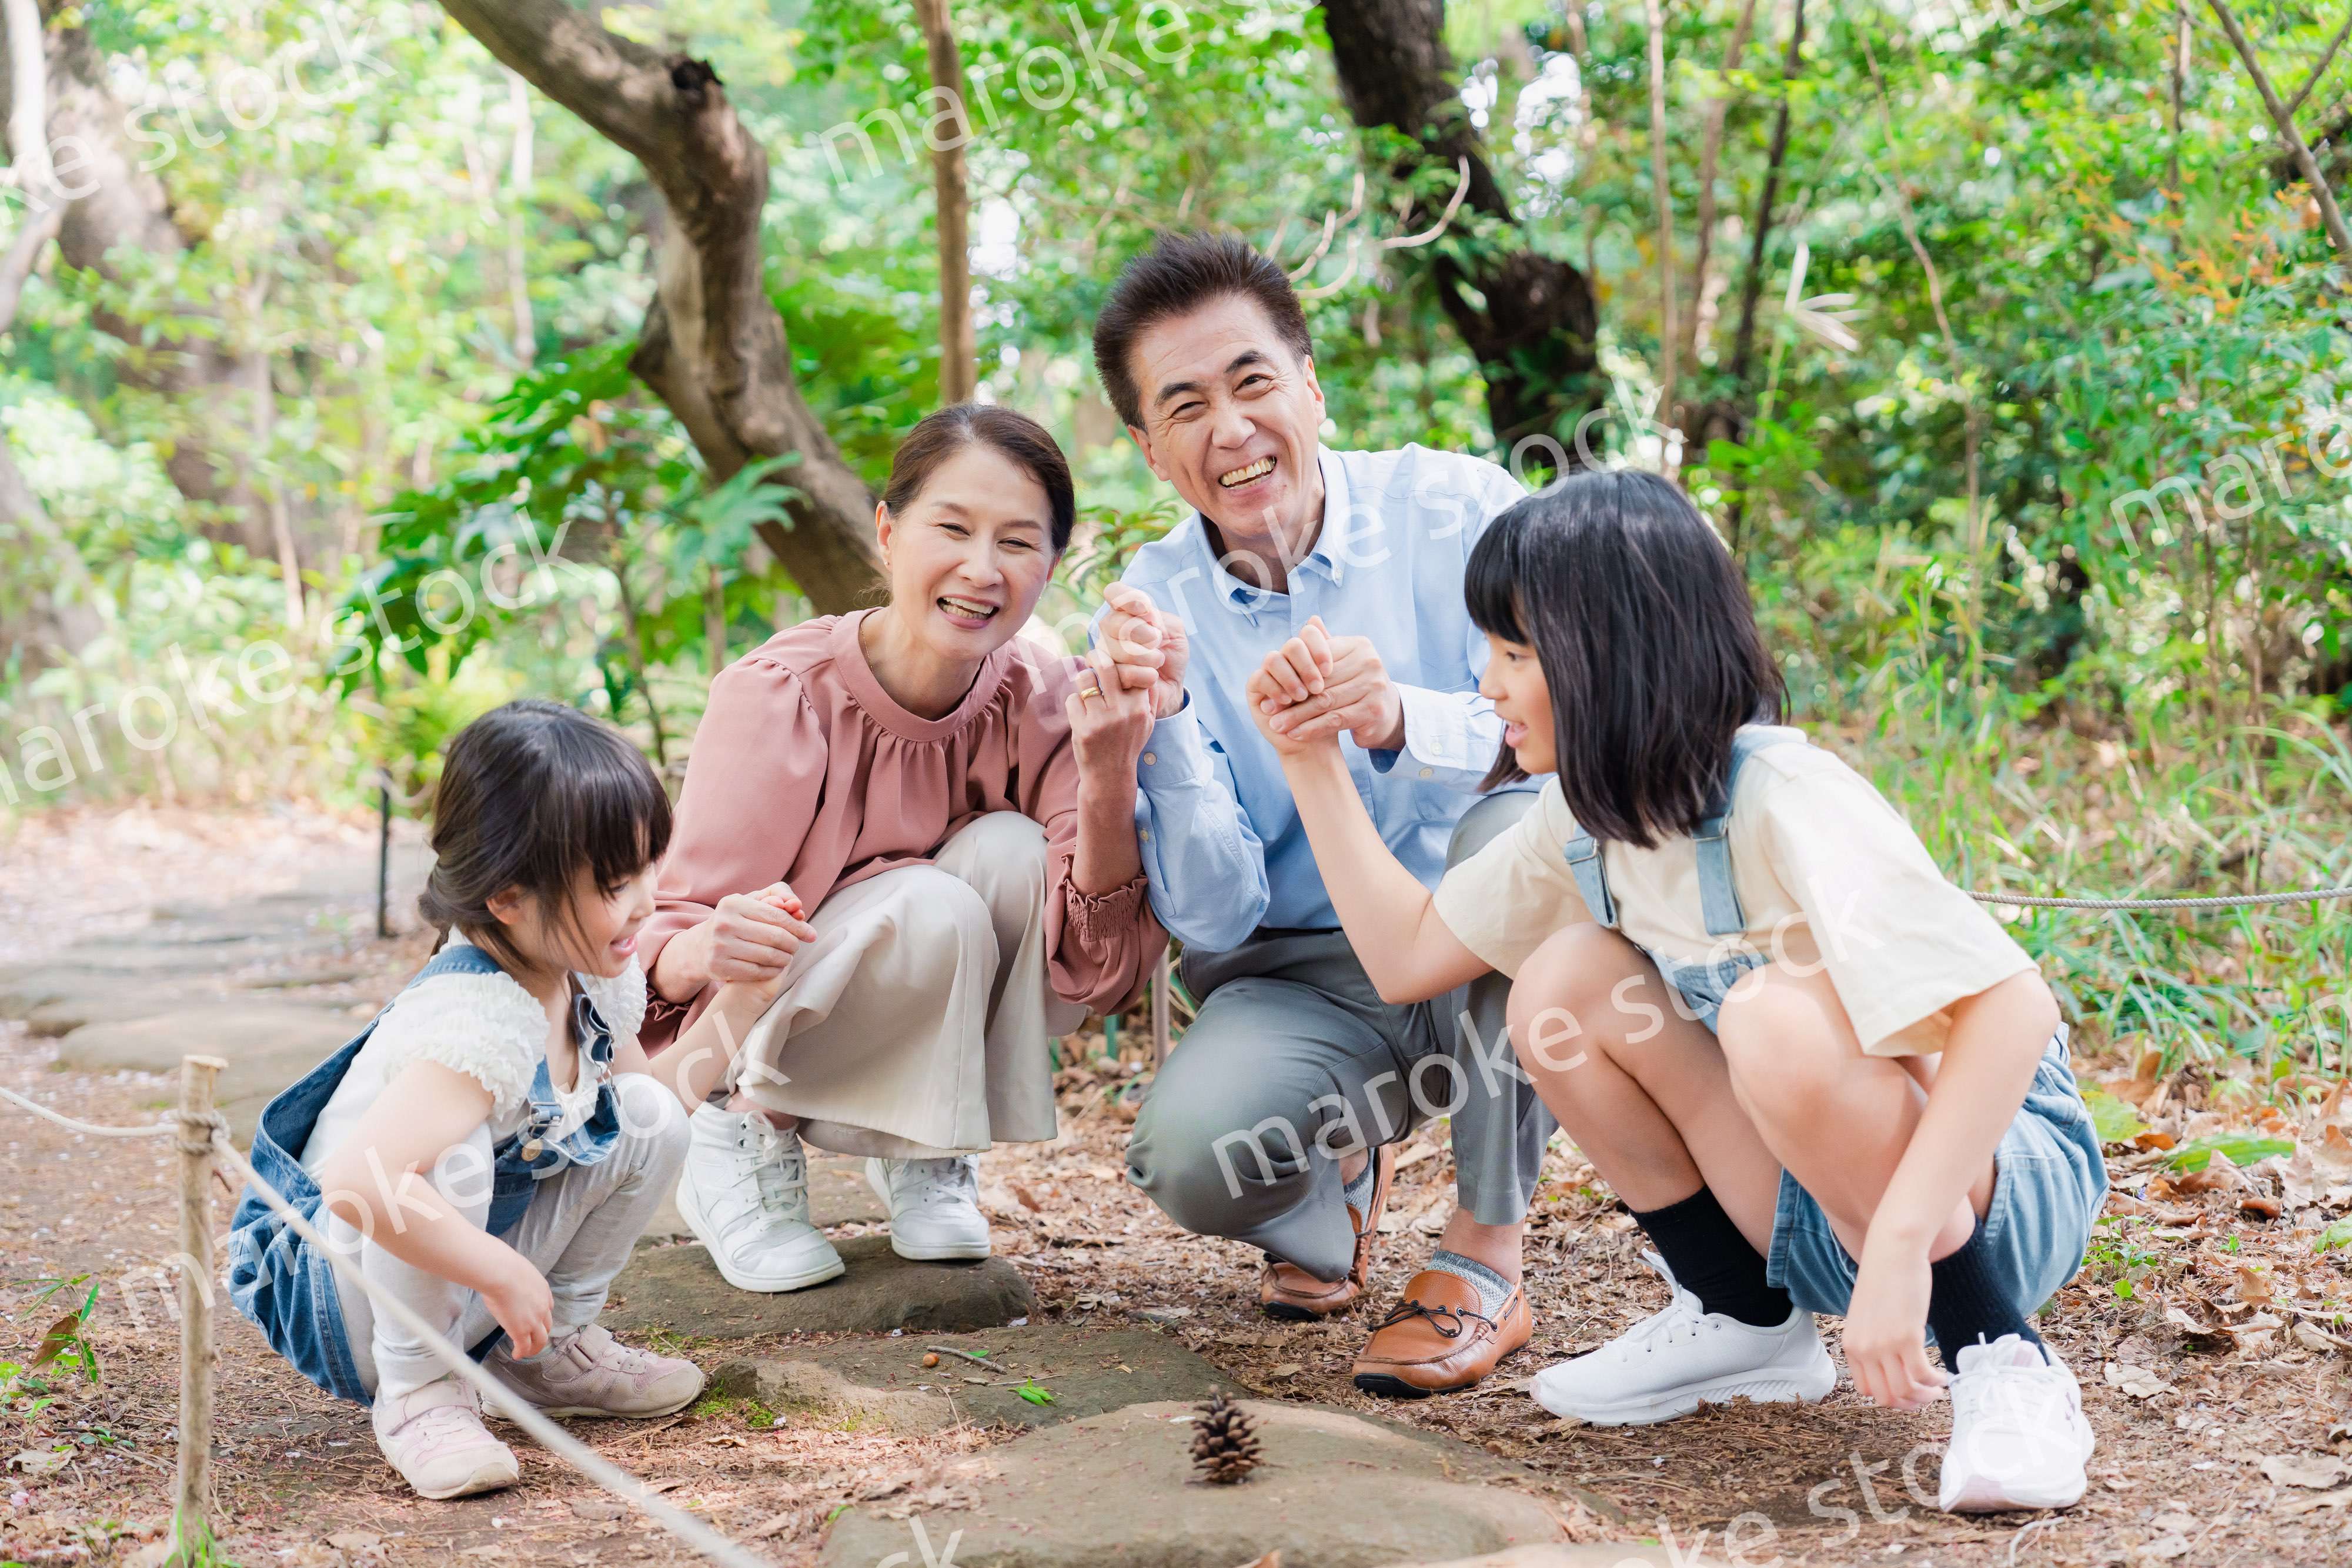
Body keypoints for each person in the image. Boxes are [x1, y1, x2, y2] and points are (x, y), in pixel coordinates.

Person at [1251, 467, 2106, 1512]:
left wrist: (1898, 1243)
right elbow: (1409, 954)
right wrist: (1308, 755)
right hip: (1823, 1204)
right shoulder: (1585, 820)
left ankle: (2006, 1359)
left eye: (1516, 654)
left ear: (1611, 654)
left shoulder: (1785, 795)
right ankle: (1743, 1320)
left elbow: (2011, 1010)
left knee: (1772, 1017)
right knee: (1560, 988)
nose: (1486, 685)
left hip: (1990, 1185)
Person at [1087, 232, 1555, 1398]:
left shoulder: (1461, 511)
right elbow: (1210, 908)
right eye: (1183, 406)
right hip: (1296, 973)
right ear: (1149, 449)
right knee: (1189, 1160)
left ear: (1310, 385)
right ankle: (1331, 1165)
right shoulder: (1150, 606)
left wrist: (1402, 717)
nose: (1230, 430)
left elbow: (1587, 729)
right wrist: (1160, 727)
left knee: (1511, 842)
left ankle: (1484, 1253)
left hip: (1476, 937)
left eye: (1251, 382)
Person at [639, 404, 1164, 1293]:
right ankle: (736, 1131)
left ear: (1052, 567)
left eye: (1018, 543)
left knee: (1009, 851)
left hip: (901, 976)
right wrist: (700, 949)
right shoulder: (778, 697)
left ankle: (925, 1143)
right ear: (887, 531)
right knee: (935, 901)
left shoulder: (1048, 697)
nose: (981, 569)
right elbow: (671, 937)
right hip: (765, 1015)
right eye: (952, 529)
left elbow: (1096, 966)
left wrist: (1112, 766)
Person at [229, 699, 791, 1501]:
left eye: (646, 869)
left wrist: (742, 999)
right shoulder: (475, 1017)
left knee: (647, 1114)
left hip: (460, 1283)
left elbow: (655, 1103)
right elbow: (364, 1184)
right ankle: (420, 1394)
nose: (645, 903)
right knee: (446, 1156)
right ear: (507, 898)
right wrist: (496, 1267)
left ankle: (542, 1354)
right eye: (613, 883)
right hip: (343, 1296)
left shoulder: (589, 969)